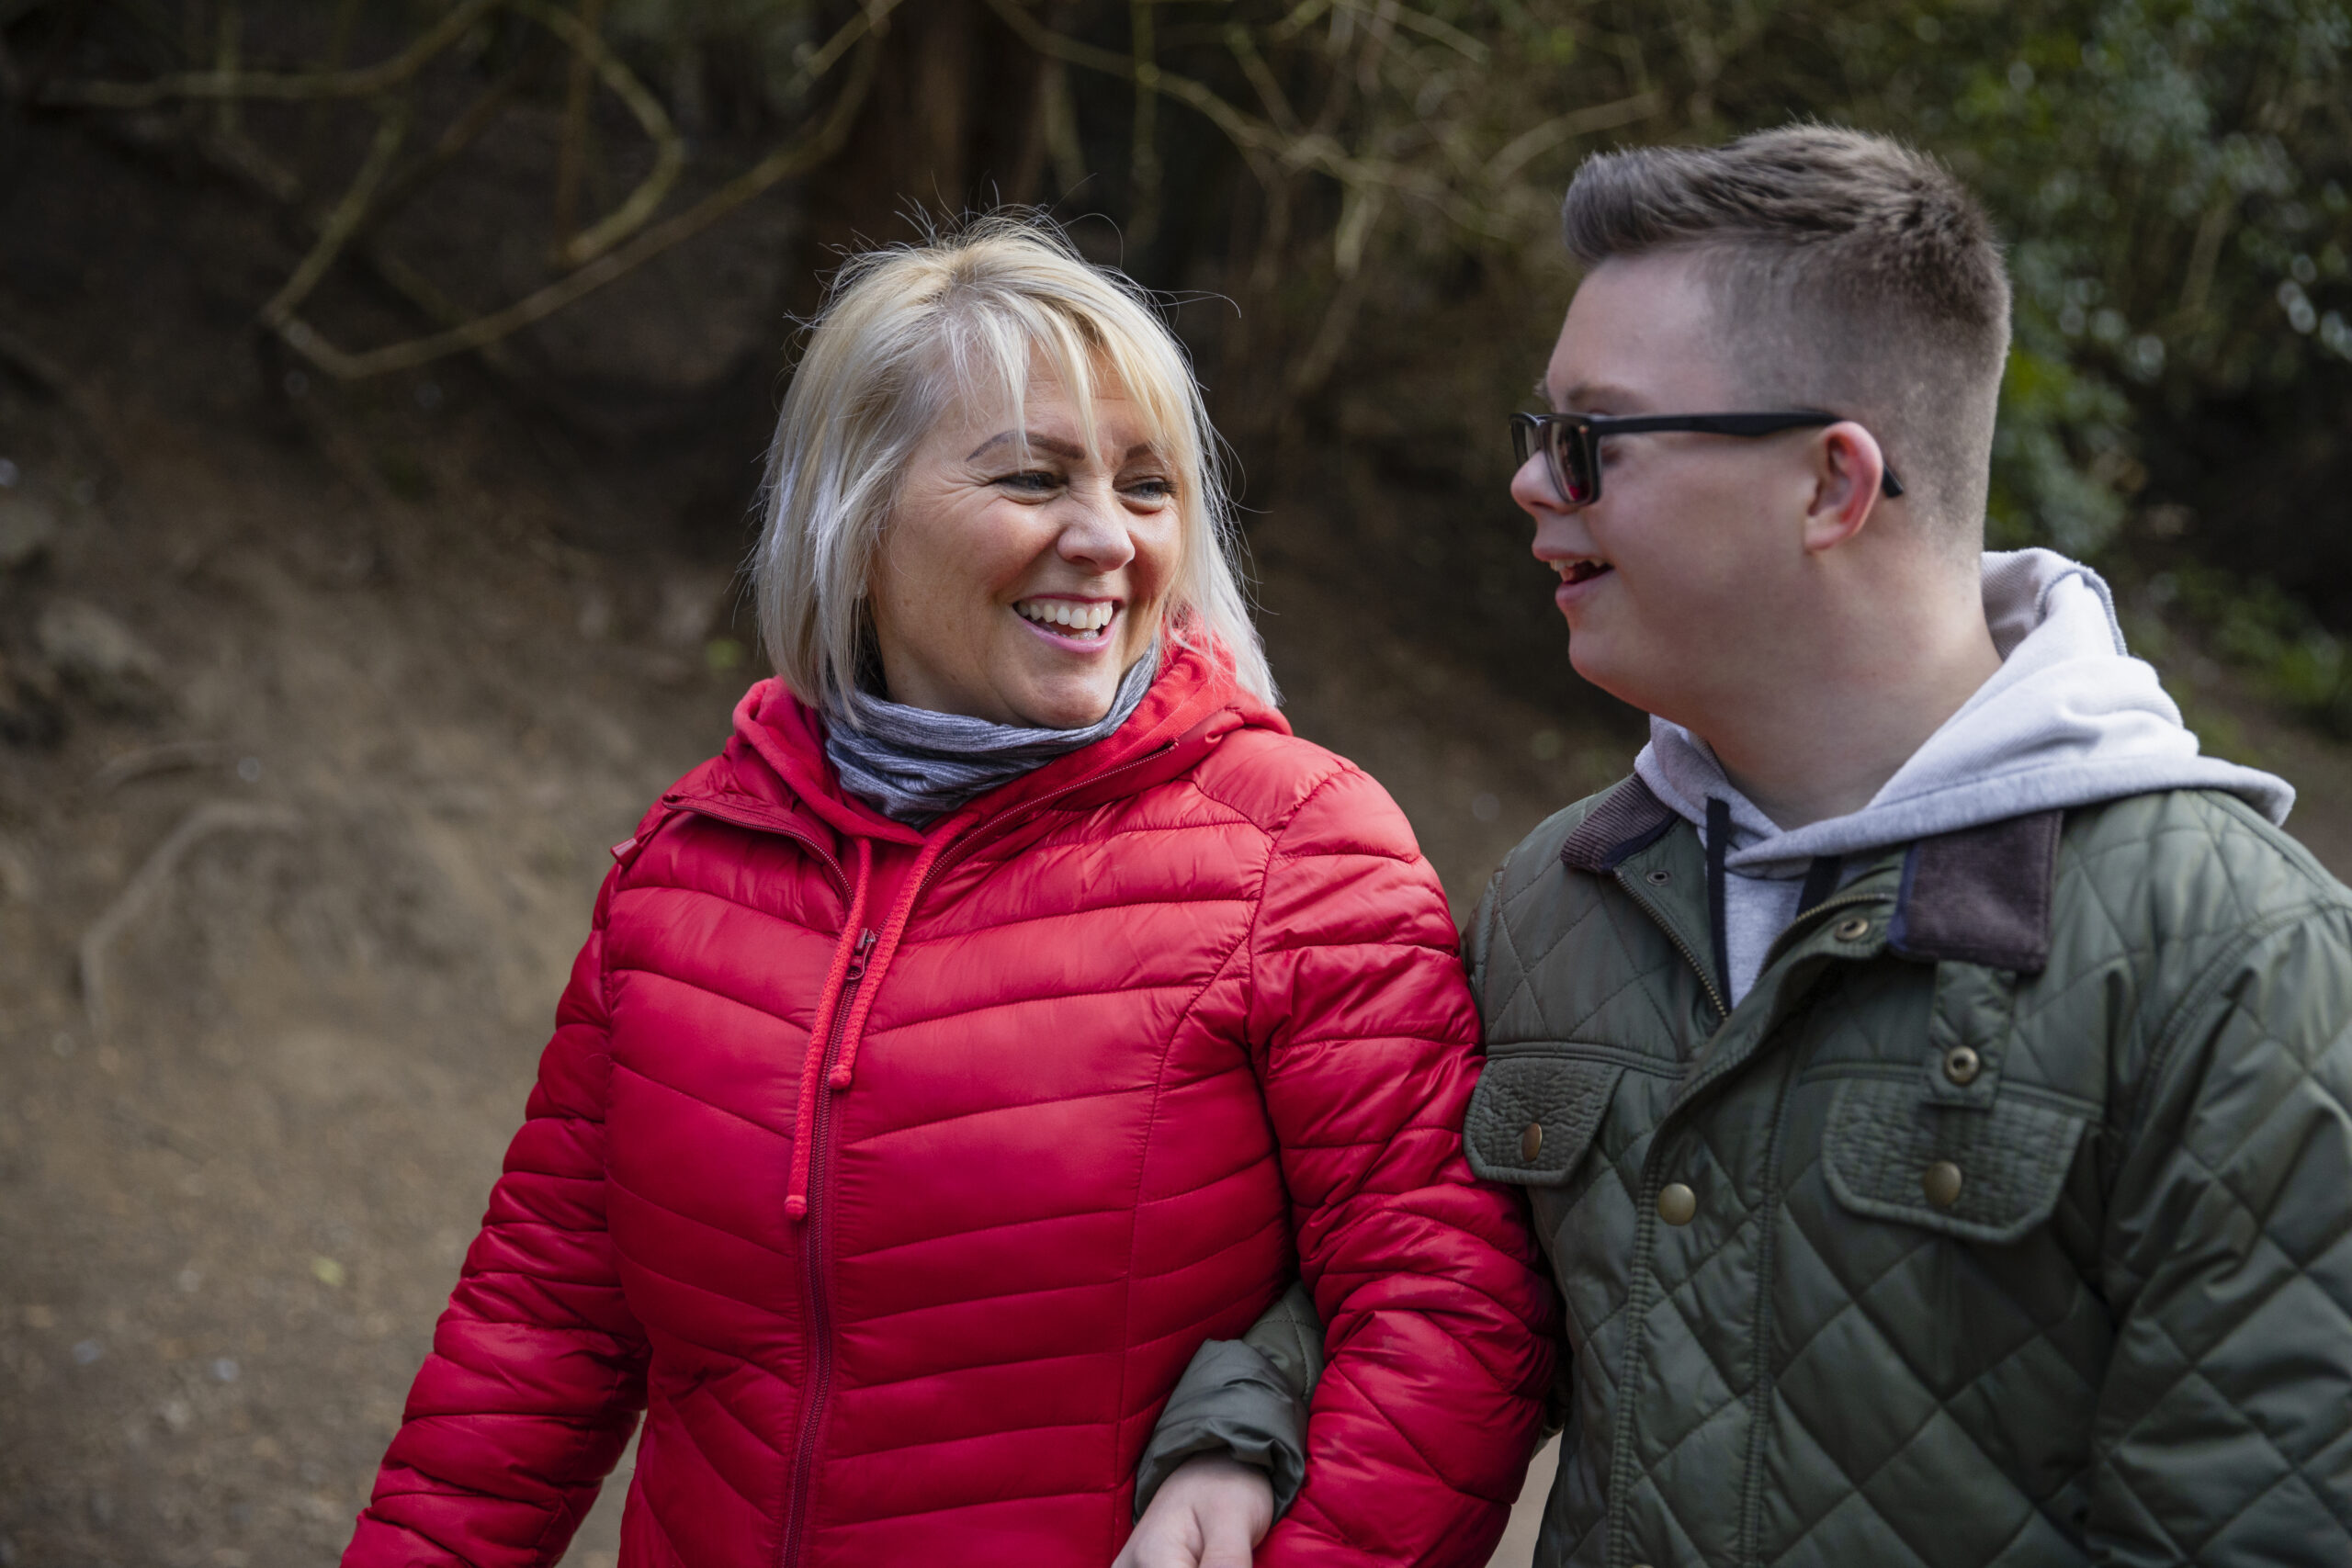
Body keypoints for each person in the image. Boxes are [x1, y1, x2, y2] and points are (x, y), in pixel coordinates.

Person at [1130, 127, 2352, 1566]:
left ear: (1832, 486)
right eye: (1539, 437)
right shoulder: (1564, 900)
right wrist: (1240, 1428)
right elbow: (1432, 1271)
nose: (1533, 486)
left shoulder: (2239, 960)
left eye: (1588, 439)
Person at [338, 220, 1554, 1568]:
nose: (1106, 540)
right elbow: (537, 1334)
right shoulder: (689, 870)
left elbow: (1454, 1312)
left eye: (1148, 488)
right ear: (853, 517)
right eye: (1035, 478)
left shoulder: (1300, 853)